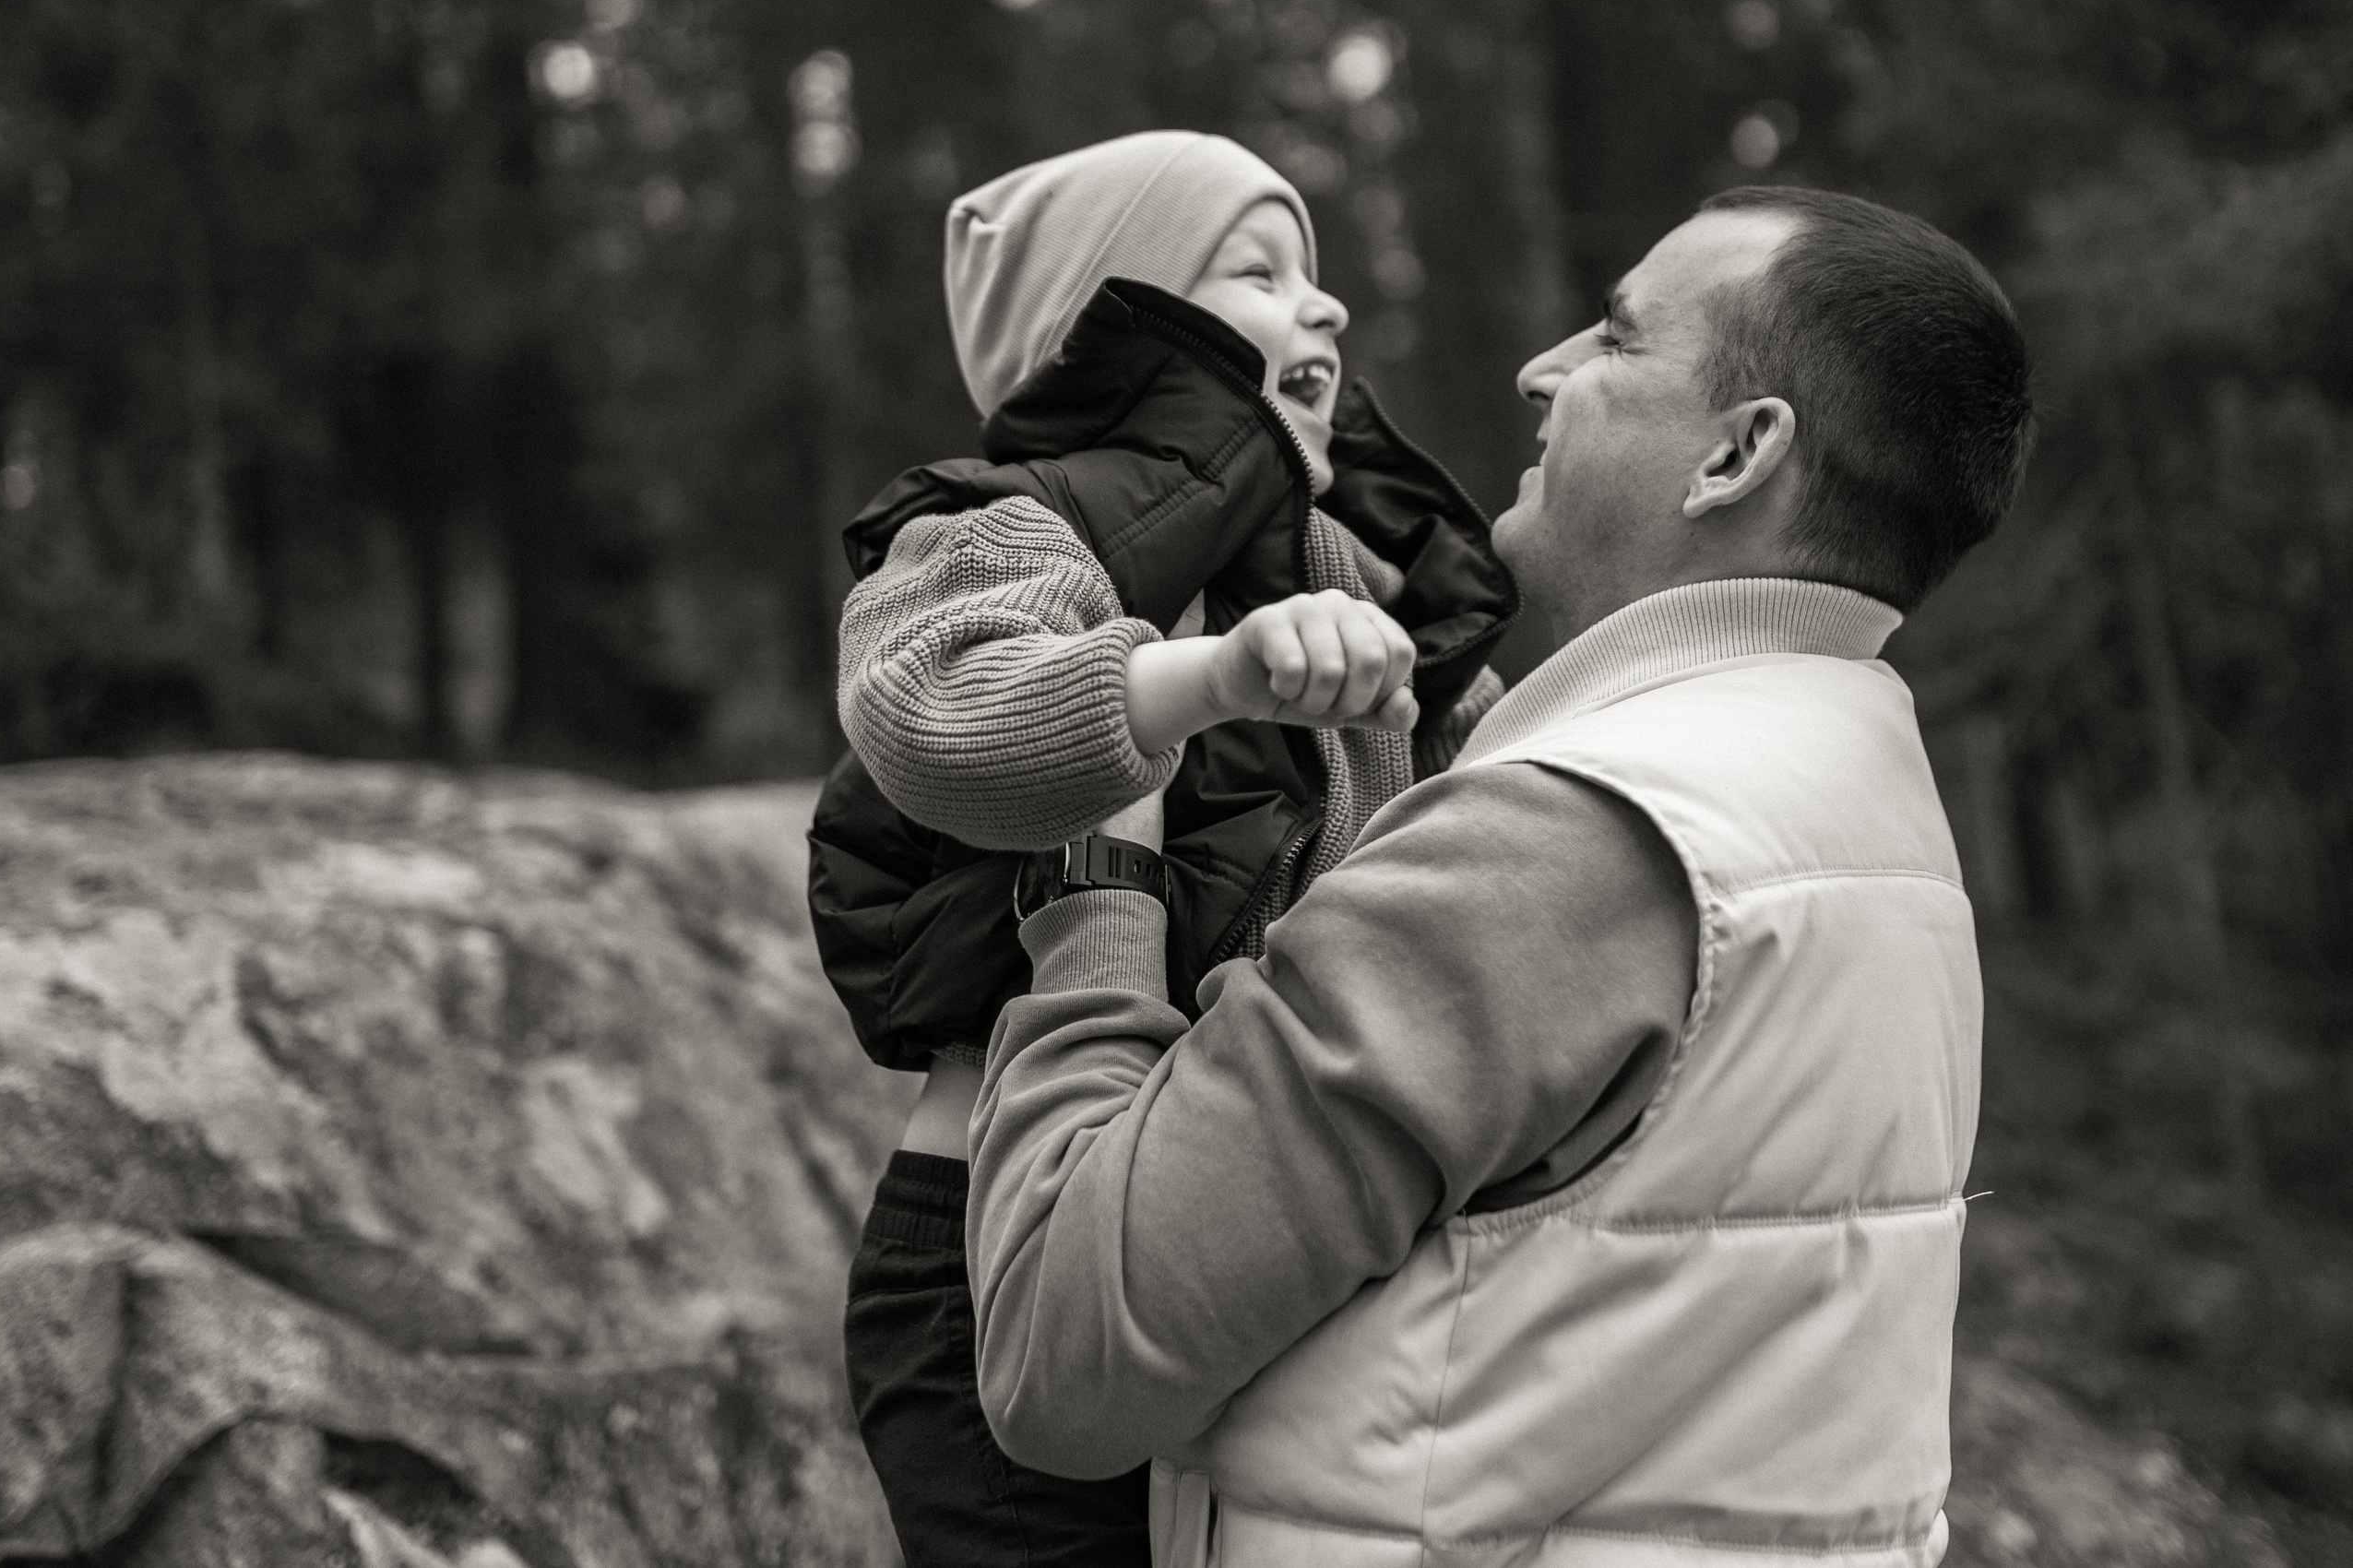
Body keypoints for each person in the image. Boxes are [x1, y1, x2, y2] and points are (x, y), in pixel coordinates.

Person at [965, 184, 2036, 1568]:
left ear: (1737, 455)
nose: (1544, 370)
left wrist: (1102, 886)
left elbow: (1067, 1358)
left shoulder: (1558, 844)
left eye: (1613, 337)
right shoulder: (1868, 805)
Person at [806, 131, 1515, 1566]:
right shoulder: (1001, 525)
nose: (1321, 308)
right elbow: (935, 710)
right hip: (987, 1248)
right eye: (1256, 271)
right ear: (1105, 326)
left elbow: (1489, 807)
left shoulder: (1354, 561)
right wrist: (1208, 681)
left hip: (1223, 1224)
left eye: (1318, 276)